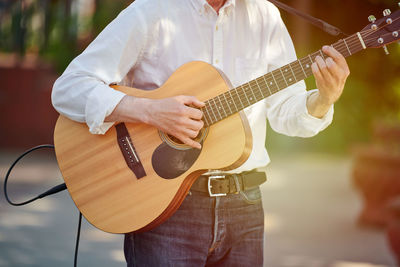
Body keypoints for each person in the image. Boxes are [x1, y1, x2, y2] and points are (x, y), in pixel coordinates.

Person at [52, 0, 350, 266]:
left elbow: (285, 113)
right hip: (166, 211)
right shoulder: (151, 11)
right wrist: (149, 111)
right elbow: (69, 88)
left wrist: (323, 99)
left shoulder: (266, 16)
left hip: (245, 207)